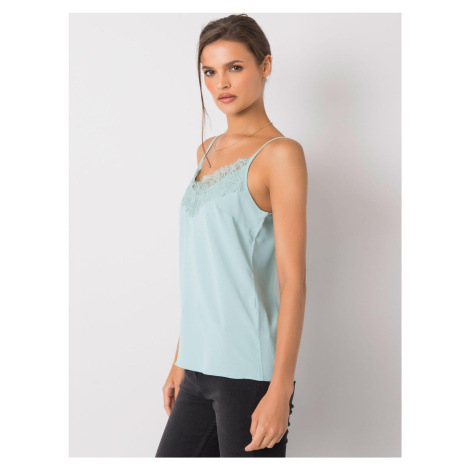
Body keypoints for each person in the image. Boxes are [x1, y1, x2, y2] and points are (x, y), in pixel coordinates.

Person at [155, 13, 307, 457]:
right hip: (196, 367)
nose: (221, 82)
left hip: (247, 372)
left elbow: (293, 281)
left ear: (265, 65)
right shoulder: (205, 151)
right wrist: (181, 358)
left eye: (235, 67)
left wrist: (280, 388)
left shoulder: (280, 155)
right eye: (210, 71)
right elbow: (204, 268)